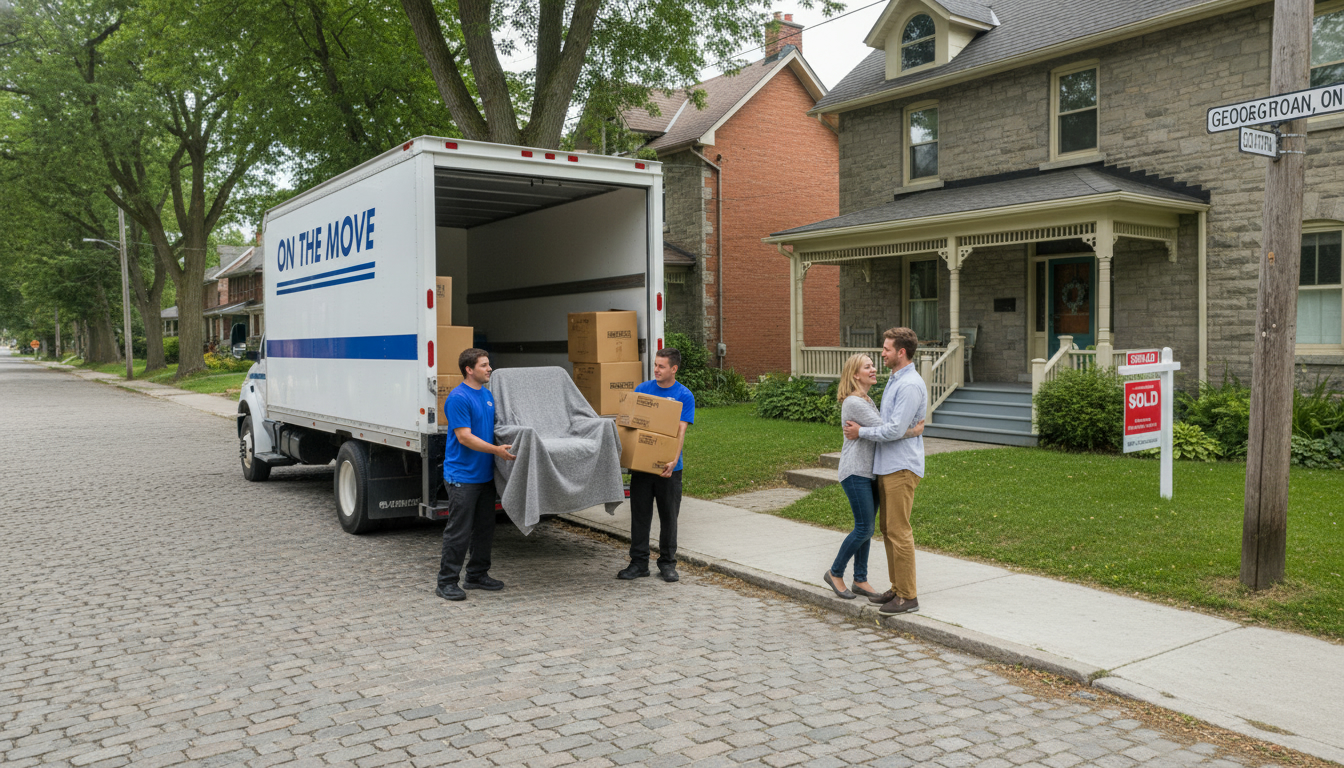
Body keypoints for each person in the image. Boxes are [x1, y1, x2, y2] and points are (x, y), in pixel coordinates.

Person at [843, 327, 927, 615]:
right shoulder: (895, 379)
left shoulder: (910, 385)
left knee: (899, 531)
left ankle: (908, 597)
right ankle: (897, 588)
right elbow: (895, 426)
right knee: (888, 530)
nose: (882, 353)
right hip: (887, 466)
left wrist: (861, 432)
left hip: (901, 466)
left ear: (901, 352)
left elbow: (892, 429)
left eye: (886, 349)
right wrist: (909, 430)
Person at [824, 353, 923, 600]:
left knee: (867, 528)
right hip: (856, 471)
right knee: (864, 527)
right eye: (867, 367)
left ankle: (860, 579)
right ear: (855, 375)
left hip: (871, 472)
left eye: (873, 365)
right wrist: (914, 431)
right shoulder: (853, 402)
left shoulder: (866, 399)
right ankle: (835, 573)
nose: (873, 369)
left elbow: (882, 430)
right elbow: (887, 430)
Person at [436, 348, 516, 602]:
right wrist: (496, 451)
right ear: (469, 370)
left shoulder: (487, 394)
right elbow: (464, 437)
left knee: (484, 528)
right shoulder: (458, 398)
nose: (489, 368)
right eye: (484, 365)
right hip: (462, 477)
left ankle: (476, 575)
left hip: (484, 475)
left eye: (488, 364)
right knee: (459, 532)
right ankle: (447, 582)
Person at [618, 347, 694, 583]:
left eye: (661, 366)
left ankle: (667, 564)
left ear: (674, 368)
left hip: (669, 468)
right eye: (655, 365)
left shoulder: (684, 395)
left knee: (669, 517)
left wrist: (673, 459)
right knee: (640, 516)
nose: (656, 369)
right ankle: (639, 563)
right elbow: (630, 425)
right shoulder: (643, 390)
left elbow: (680, 430)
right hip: (642, 467)